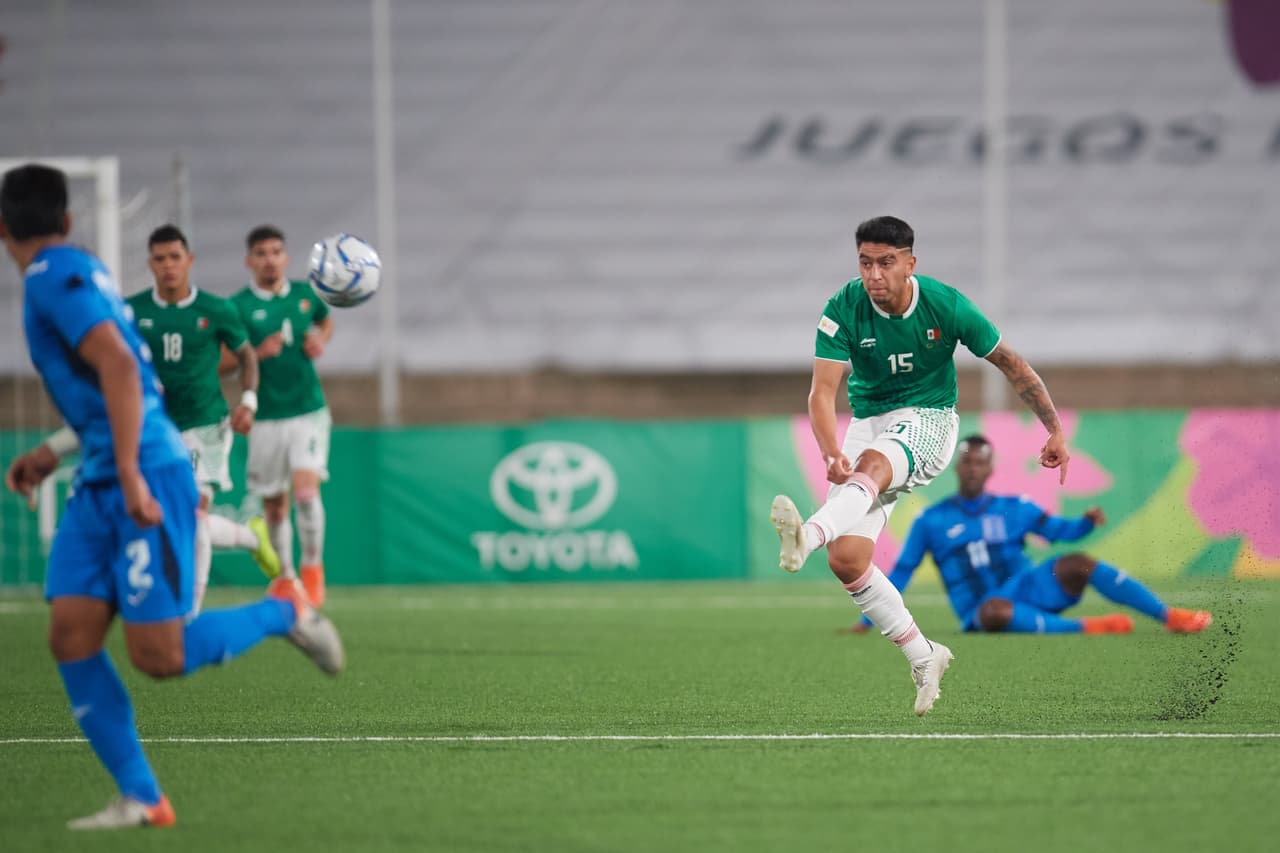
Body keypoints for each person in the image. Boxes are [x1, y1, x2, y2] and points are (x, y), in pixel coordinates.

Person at [1, 164, 344, 830]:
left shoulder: (50, 281)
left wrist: (129, 472)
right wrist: (56, 449)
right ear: (68, 221)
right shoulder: (85, 273)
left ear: (3, 227)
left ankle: (283, 610)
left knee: (159, 655)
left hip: (144, 468)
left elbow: (124, 370)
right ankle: (143, 797)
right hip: (105, 468)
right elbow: (112, 383)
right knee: (71, 635)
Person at [770, 215, 1070, 716]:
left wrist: (1054, 427)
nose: (874, 276)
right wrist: (828, 450)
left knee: (870, 467)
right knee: (847, 560)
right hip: (868, 422)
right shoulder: (843, 308)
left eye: (886, 263)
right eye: (865, 263)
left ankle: (809, 534)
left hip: (930, 419)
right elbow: (822, 392)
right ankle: (924, 654)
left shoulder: (946, 306)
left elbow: (1012, 365)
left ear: (910, 263)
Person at [846, 434, 1213, 636]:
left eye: (980, 461)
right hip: (982, 610)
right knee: (994, 612)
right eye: (967, 461)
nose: (973, 468)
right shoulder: (931, 520)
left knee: (1079, 564)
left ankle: (1168, 616)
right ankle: (1087, 627)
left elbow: (1057, 531)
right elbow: (902, 572)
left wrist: (1084, 524)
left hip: (1028, 588)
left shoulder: (1015, 507)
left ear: (990, 468)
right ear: (957, 467)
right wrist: (869, 620)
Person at [123, 224, 279, 614]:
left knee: (192, 515)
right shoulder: (133, 311)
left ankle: (188, 613)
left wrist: (248, 401)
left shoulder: (215, 309)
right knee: (165, 518)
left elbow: (245, 355)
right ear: (151, 264)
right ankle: (251, 537)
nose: (168, 265)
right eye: (160, 259)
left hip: (206, 425)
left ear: (189, 260)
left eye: (175, 257)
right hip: (157, 429)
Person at [228, 226, 334, 606]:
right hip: (265, 417)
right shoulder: (238, 307)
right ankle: (287, 578)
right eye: (261, 253)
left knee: (306, 493)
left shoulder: (306, 296)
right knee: (275, 504)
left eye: (276, 251)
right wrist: (257, 352)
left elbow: (325, 320)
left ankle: (312, 568)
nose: (270, 259)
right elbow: (223, 363)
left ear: (286, 257)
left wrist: (320, 339)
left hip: (307, 410)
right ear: (249, 261)